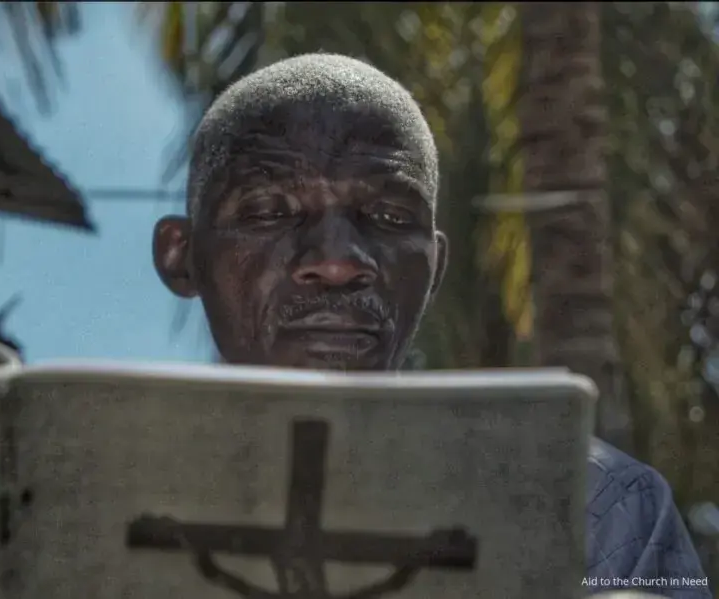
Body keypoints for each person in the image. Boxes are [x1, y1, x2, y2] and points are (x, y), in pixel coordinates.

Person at [153, 53, 710, 597]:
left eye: (391, 218)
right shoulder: (81, 482)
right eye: (270, 211)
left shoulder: (600, 503)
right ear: (182, 256)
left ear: (436, 266)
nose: (338, 261)